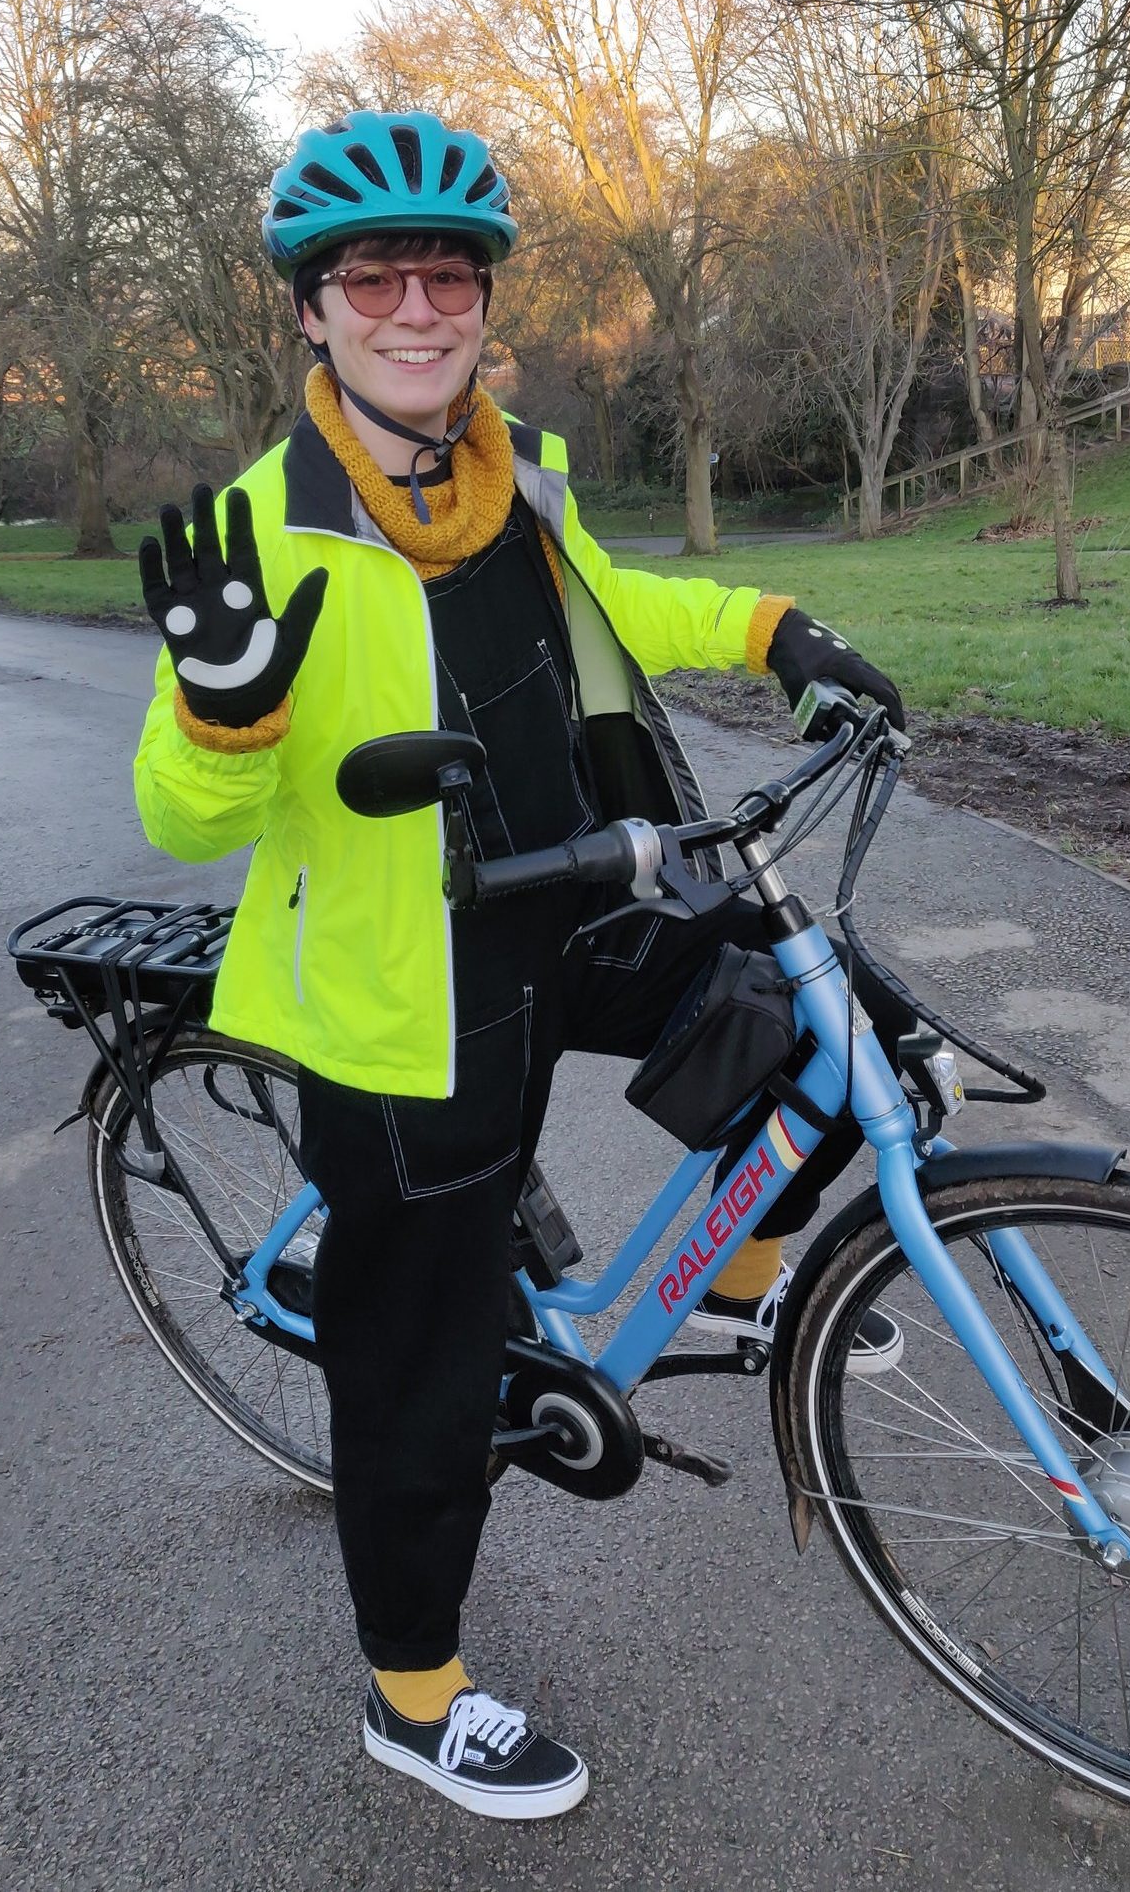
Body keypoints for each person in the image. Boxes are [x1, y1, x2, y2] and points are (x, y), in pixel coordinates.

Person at [132, 110, 914, 1821]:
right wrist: (221, 704)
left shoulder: (519, 469)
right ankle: (414, 1697)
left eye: (449, 275)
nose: (418, 306)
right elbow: (185, 815)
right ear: (312, 314)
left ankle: (727, 1282)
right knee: (421, 1374)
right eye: (373, 277)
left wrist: (783, 634)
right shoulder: (260, 540)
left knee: (838, 1039)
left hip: (574, 893)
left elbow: (626, 607)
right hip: (404, 995)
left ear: (486, 301)